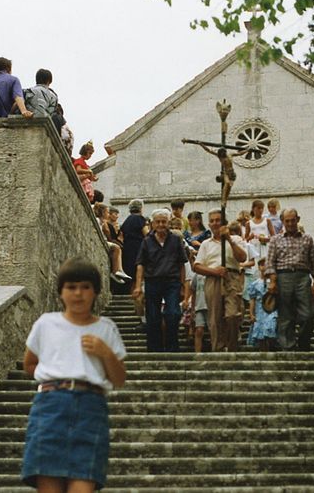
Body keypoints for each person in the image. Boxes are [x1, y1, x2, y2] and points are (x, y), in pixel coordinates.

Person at [21, 258, 126, 491]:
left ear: (96, 291)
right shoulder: (46, 324)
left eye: (85, 287)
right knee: (48, 483)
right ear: (60, 292)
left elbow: (119, 379)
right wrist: (55, 378)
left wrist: (105, 353)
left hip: (91, 407)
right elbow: (29, 363)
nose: (78, 293)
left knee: (84, 482)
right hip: (50, 407)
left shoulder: (106, 328)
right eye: (71, 287)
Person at [132, 209, 188, 353]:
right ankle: (154, 348)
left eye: (164, 221)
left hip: (172, 281)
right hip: (153, 281)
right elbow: (140, 265)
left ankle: (172, 347)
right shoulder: (146, 241)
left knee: (173, 313)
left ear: (168, 223)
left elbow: (181, 264)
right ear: (153, 224)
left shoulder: (176, 240)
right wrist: (138, 286)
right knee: (152, 316)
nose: (161, 224)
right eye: (158, 222)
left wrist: (183, 286)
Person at [265, 208, 314, 351]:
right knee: (285, 315)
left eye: (293, 220)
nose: (290, 223)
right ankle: (287, 347)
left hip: (303, 277)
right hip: (283, 277)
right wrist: (272, 281)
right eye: (287, 221)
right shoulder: (275, 240)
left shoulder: (307, 238)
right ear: (282, 221)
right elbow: (270, 263)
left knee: (307, 314)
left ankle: (303, 345)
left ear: (298, 219)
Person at [193, 209, 247, 352]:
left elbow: (242, 258)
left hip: (232, 277)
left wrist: (228, 238)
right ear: (209, 224)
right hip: (213, 279)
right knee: (215, 318)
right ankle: (218, 348)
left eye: (218, 220)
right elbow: (197, 266)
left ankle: (232, 346)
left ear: (225, 223)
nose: (215, 223)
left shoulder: (236, 239)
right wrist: (214, 271)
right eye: (212, 221)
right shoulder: (205, 244)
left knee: (232, 315)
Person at [121, 199, 149, 323]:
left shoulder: (127, 220)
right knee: (139, 273)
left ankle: (131, 298)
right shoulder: (140, 219)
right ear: (140, 208)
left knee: (131, 275)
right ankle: (138, 303)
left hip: (127, 248)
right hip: (138, 247)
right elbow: (146, 234)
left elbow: (121, 235)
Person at [93, 203, 132, 284]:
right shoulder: (98, 221)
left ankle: (119, 270)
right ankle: (116, 271)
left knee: (117, 248)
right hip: (103, 241)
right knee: (116, 248)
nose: (108, 214)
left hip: (104, 240)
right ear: (103, 213)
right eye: (107, 212)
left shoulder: (102, 222)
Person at [246, 258, 278, 351]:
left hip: (271, 308)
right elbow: (252, 300)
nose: (264, 267)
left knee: (271, 326)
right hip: (259, 310)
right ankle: (263, 353)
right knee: (260, 333)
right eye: (262, 265)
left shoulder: (274, 282)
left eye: (267, 264)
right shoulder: (255, 284)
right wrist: (251, 314)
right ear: (259, 267)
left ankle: (272, 350)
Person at [183, 251, 209, 353]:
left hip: (211, 306)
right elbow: (193, 291)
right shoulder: (197, 276)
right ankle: (197, 353)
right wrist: (193, 308)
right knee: (199, 330)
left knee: (214, 330)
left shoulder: (213, 273)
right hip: (199, 306)